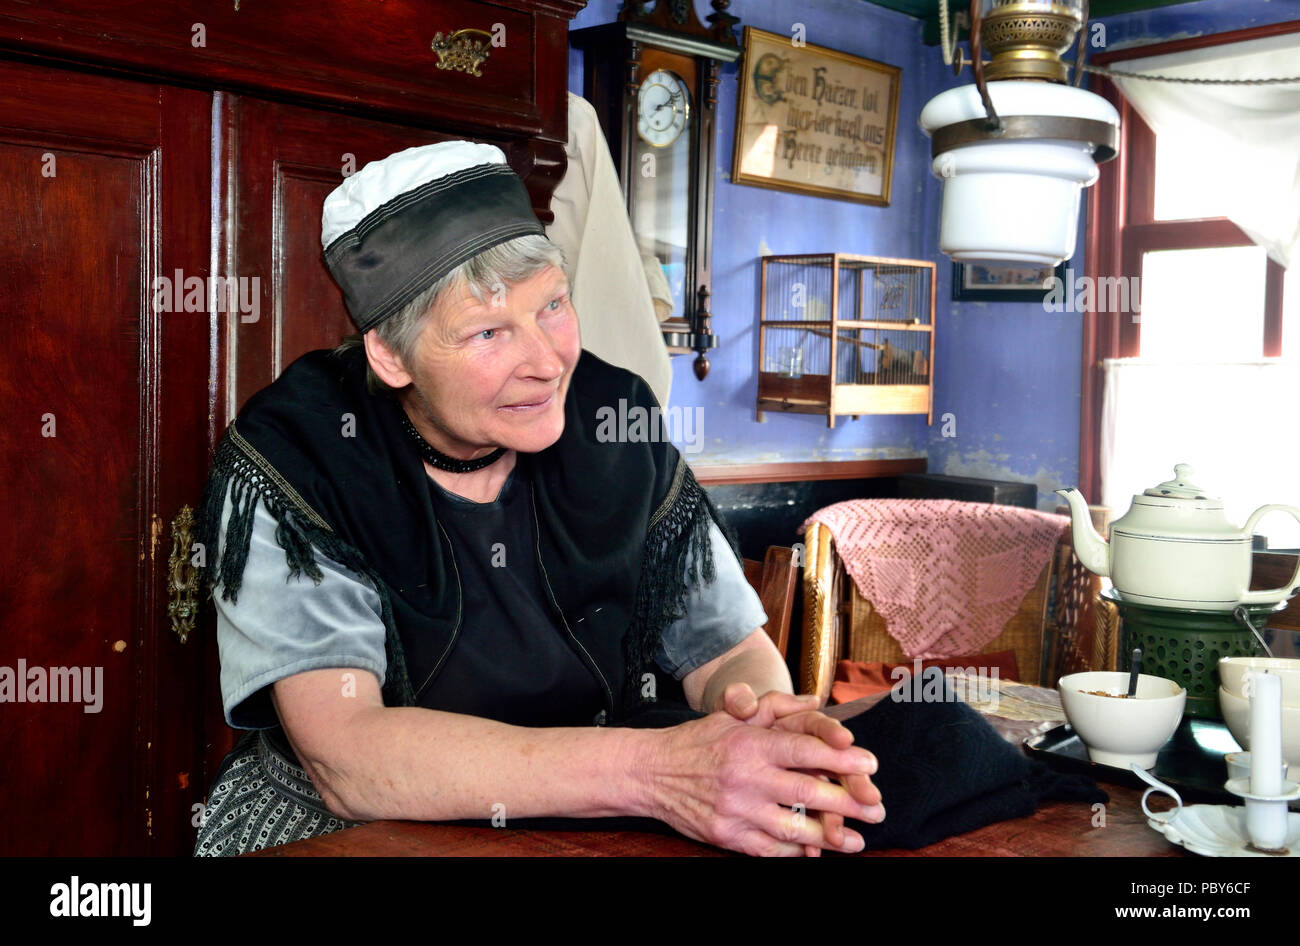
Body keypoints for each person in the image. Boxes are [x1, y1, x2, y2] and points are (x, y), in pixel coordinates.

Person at [192, 140, 884, 857]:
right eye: (489, 332)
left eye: (553, 304)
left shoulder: (616, 416)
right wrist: (660, 772)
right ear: (390, 356)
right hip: (352, 830)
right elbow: (349, 756)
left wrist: (758, 722)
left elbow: (728, 648)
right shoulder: (300, 452)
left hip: (589, 807)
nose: (549, 362)